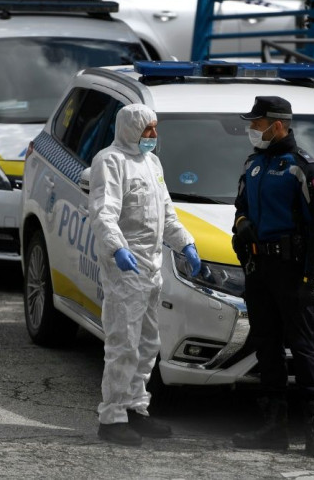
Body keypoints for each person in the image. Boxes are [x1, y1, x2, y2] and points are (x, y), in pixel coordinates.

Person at [89, 104, 201, 446]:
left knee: (148, 343)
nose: (153, 136)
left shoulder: (152, 163)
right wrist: (116, 248)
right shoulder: (110, 161)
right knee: (123, 343)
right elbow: (103, 212)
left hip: (152, 268)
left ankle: (137, 408)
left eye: (154, 129)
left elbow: (166, 213)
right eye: (147, 129)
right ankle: (112, 417)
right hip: (125, 270)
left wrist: (185, 244)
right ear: (130, 128)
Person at [231, 96, 314, 458]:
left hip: (293, 272)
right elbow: (240, 209)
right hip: (260, 271)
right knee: (267, 345)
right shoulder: (253, 164)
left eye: (256, 123)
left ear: (277, 125)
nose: (251, 130)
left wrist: (310, 274)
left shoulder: (303, 167)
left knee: (303, 348)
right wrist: (242, 227)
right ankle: (274, 428)